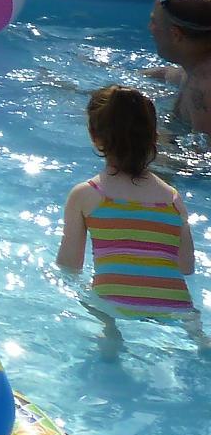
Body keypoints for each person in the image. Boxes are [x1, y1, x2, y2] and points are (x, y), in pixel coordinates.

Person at [56, 86, 202, 345]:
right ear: (154, 137)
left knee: (92, 301)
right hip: (175, 307)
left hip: (114, 302)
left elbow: (70, 266)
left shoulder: (86, 194)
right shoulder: (172, 198)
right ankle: (200, 339)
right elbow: (186, 267)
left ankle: (110, 332)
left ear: (94, 137)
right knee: (196, 331)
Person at [145, 0, 211, 136]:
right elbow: (166, 74)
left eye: (154, 22)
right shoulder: (194, 64)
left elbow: (202, 152)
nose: (150, 28)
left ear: (176, 35)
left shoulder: (204, 90)